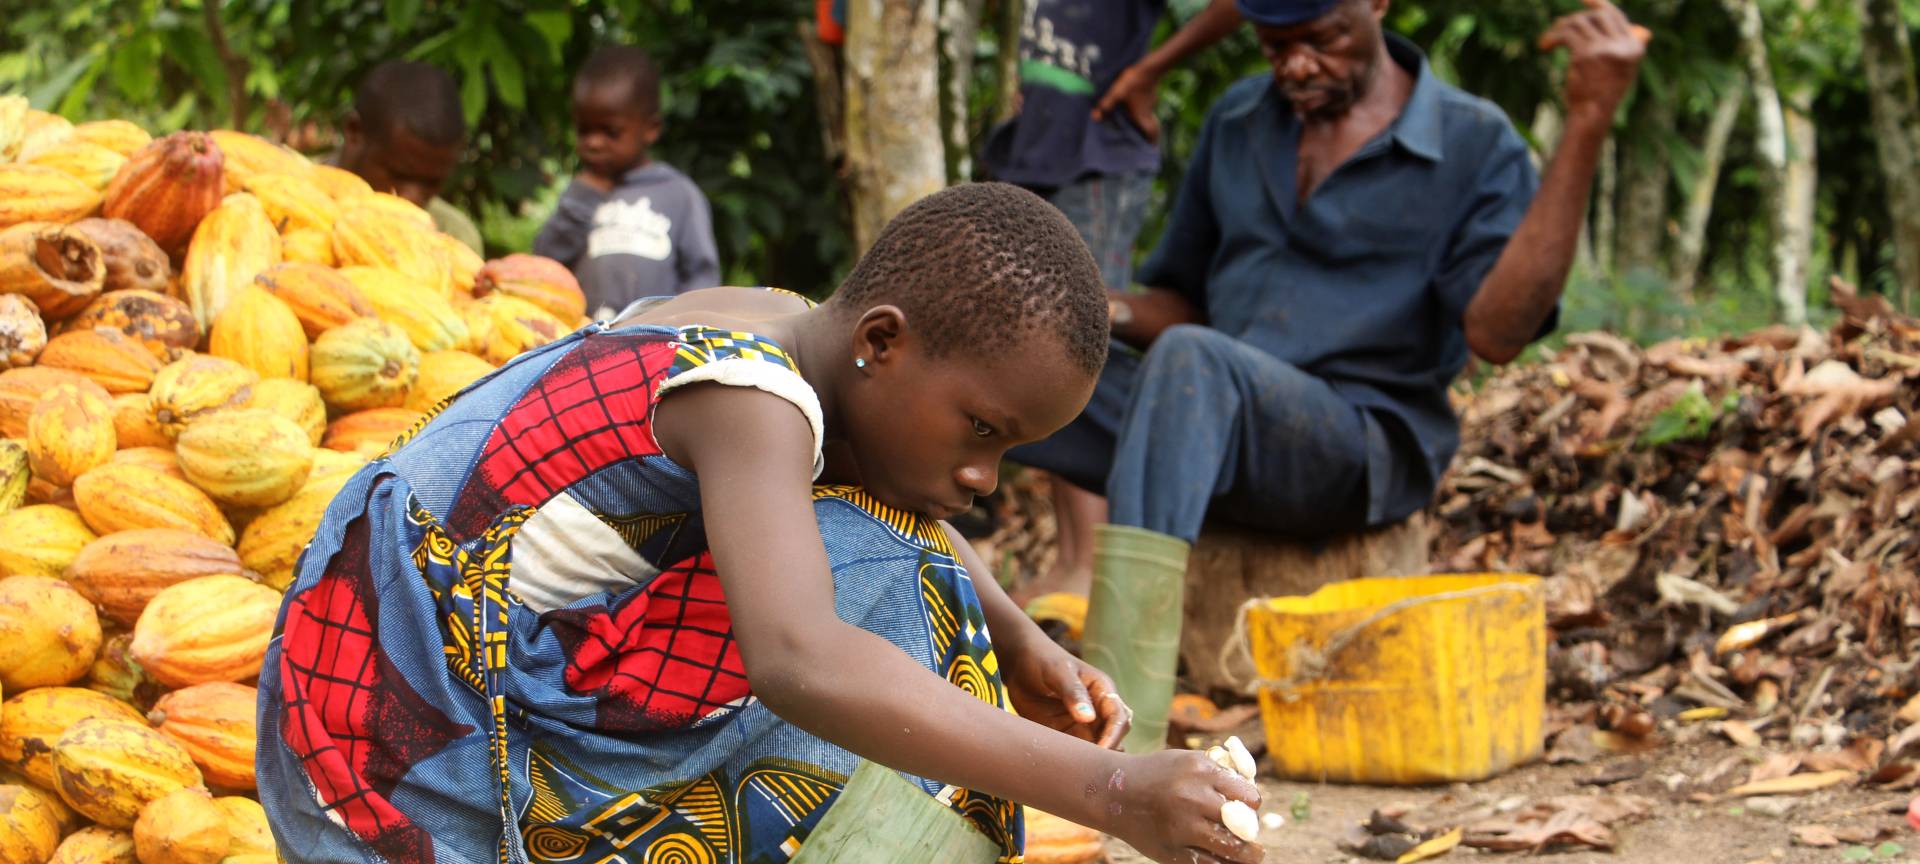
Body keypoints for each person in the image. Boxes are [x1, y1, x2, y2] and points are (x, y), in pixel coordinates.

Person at [256, 183, 1262, 864]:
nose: (983, 477)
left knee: (904, 561)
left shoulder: (773, 323)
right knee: (889, 592)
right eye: (983, 431)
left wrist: (1019, 635)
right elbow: (799, 660)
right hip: (394, 773)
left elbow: (885, 512)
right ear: (882, 342)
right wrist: (1113, 790)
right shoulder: (752, 402)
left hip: (368, 700)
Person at [1011, 0, 1645, 719]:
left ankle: (1127, 714)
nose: (1299, 66)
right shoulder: (1239, 119)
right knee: (1020, 346)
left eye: (1323, 39)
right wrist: (1089, 305)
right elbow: (1183, 303)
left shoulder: (1474, 142)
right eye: (1276, 46)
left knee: (1193, 365)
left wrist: (1587, 122)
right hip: (1207, 424)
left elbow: (1499, 335)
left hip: (1356, 445)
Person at [981, 0, 1244, 605]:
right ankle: (1072, 554)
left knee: (1075, 334)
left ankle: (1090, 563)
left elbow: (1234, 7)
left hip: (1097, 154)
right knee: (1033, 342)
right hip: (1039, 150)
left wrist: (1146, 73)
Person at [534, 45, 721, 319]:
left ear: (651, 129)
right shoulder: (580, 192)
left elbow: (702, 276)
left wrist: (682, 325)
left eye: (610, 131)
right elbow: (543, 264)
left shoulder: (679, 195)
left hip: (657, 337)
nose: (594, 143)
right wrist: (581, 199)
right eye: (584, 130)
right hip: (584, 335)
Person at [332, 60, 484, 253]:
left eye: (432, 183)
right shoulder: (295, 200)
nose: (410, 200)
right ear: (354, 132)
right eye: (399, 175)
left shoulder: (455, 238)